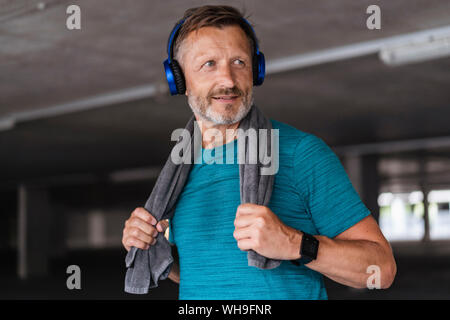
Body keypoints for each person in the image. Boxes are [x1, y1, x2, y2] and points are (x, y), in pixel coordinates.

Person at [122, 5, 396, 299]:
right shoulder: (178, 171)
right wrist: (151, 246)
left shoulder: (301, 153)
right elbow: (202, 273)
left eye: (239, 62)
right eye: (209, 64)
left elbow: (382, 269)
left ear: (256, 71)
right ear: (179, 80)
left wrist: (295, 244)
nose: (228, 79)